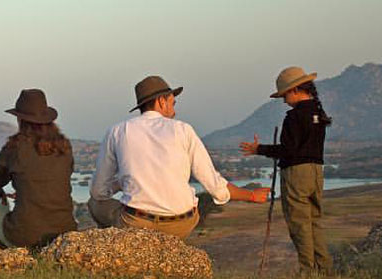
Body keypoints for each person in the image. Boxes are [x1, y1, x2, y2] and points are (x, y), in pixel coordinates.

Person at [90, 75, 270, 240]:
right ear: (161, 101)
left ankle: (116, 249)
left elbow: (98, 191)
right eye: (173, 103)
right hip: (181, 225)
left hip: (137, 223)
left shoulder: (118, 131)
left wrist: (121, 183)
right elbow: (214, 184)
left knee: (95, 204)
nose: (174, 111)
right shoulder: (183, 130)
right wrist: (251, 195)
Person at [240, 67, 334, 273]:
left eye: (284, 95)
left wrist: (259, 149)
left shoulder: (294, 117)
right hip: (316, 172)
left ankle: (307, 272)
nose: (284, 100)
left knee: (299, 223)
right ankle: (325, 269)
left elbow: (288, 151)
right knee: (314, 221)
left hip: (297, 174)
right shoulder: (318, 113)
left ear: (294, 90)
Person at [0, 89, 78, 249]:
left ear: (20, 119)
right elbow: (55, 180)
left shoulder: (15, 147)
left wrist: (1, 192)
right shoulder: (64, 146)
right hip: (64, 232)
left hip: (25, 236)